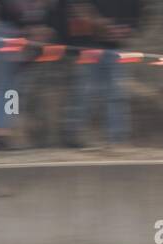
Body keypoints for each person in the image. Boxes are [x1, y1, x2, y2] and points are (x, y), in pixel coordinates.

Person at [60, 0, 143, 148]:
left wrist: (127, 30)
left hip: (114, 47)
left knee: (116, 93)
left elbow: (136, 17)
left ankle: (117, 140)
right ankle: (73, 135)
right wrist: (94, 23)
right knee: (83, 92)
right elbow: (73, 10)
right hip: (86, 45)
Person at [0, 1, 53, 151]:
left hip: (22, 35)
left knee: (13, 89)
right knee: (5, 86)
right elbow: (17, 10)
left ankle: (8, 131)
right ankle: (0, 133)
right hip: (9, 34)